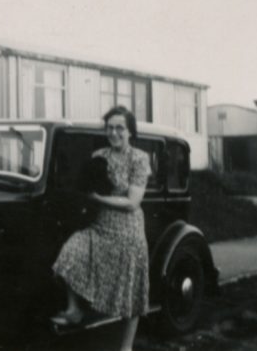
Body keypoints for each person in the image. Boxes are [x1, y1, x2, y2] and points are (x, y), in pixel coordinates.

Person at [51, 105, 151, 351]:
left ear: (130, 132)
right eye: (110, 127)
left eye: (120, 128)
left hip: (129, 229)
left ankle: (125, 347)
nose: (114, 132)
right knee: (71, 253)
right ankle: (74, 310)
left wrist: (97, 199)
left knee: (129, 289)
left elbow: (132, 202)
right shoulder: (99, 155)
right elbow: (84, 185)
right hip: (100, 225)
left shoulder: (139, 158)